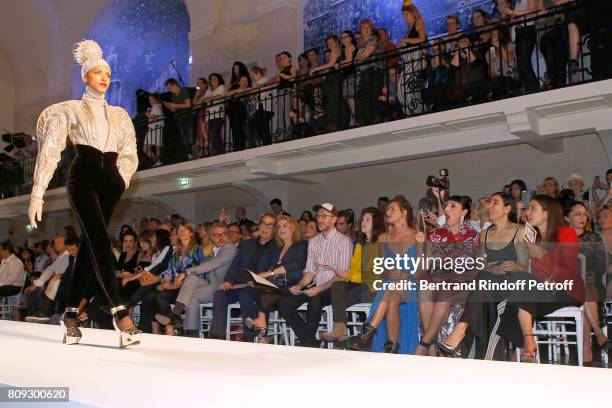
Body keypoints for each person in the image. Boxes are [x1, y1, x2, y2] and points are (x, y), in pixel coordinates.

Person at [27, 40, 140, 347]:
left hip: (110, 179)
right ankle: (119, 310)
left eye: (107, 72)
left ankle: (70, 313)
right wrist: (38, 191)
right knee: (101, 239)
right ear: (85, 77)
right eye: (97, 72)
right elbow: (50, 150)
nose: (103, 76)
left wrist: (121, 180)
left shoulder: (119, 115)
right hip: (83, 177)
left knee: (91, 246)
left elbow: (130, 152)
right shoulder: (72, 110)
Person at [494, 195, 585, 362]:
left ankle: (524, 345)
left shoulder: (567, 233)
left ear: (547, 213)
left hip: (566, 291)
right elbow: (536, 275)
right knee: (518, 284)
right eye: (528, 208)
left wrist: (543, 255)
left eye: (532, 208)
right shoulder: (533, 237)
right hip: (542, 291)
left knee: (519, 290)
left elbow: (570, 271)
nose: (528, 212)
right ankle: (527, 343)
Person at [439, 193, 528, 359]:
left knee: (482, 282)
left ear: (507, 208)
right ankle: (474, 345)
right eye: (489, 203)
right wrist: (491, 269)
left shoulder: (519, 231)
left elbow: (525, 267)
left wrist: (515, 267)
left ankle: (460, 330)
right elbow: (480, 263)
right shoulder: (485, 233)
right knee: (484, 279)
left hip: (510, 283)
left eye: (495, 203)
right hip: (488, 284)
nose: (490, 207)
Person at [350, 197, 424, 354]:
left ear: (404, 213)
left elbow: (420, 272)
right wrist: (388, 271)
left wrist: (418, 249)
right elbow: (381, 268)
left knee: (392, 291)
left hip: (410, 285)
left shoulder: (417, 236)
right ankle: (392, 346)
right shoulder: (383, 238)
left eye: (392, 209)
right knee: (392, 295)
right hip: (390, 285)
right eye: (387, 209)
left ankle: (367, 333)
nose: (387, 212)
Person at [278, 203, 352, 347]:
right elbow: (310, 271)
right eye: (318, 216)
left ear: (334, 219)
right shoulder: (313, 242)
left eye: (324, 216)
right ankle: (310, 341)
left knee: (315, 298)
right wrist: (300, 285)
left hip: (334, 287)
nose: (320, 219)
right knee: (285, 303)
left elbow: (341, 275)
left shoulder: (344, 241)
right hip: (315, 286)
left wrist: (319, 288)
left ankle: (307, 342)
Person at [417, 195, 480, 356]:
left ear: (464, 212)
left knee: (445, 292)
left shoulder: (473, 236)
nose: (446, 209)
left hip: (462, 283)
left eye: (453, 206)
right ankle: (431, 346)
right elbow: (423, 268)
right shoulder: (436, 234)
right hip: (439, 281)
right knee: (424, 288)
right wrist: (419, 246)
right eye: (447, 206)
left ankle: (425, 344)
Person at [155, 223, 237, 337]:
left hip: (222, 288)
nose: (221, 237)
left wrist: (186, 272)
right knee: (191, 288)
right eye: (217, 235)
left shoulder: (229, 248)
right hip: (210, 285)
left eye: (224, 234)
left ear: (228, 235)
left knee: (190, 281)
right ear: (212, 237)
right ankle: (191, 333)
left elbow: (214, 264)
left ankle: (176, 317)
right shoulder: (213, 251)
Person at [238, 215, 308, 343]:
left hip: (293, 283)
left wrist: (269, 273)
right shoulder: (277, 249)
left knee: (265, 287)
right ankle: (262, 324)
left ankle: (262, 322)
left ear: (293, 228)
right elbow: (271, 267)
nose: (281, 229)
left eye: (285, 226)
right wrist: (260, 277)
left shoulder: (301, 245)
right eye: (279, 226)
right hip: (277, 285)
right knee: (255, 288)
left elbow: (295, 265)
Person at [209, 214, 278, 339]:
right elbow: (236, 263)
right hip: (239, 284)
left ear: (274, 228)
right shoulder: (247, 244)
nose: (265, 228)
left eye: (270, 225)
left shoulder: (277, 247)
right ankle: (217, 336)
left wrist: (258, 281)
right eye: (263, 224)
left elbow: (273, 270)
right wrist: (228, 280)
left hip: (259, 287)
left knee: (245, 295)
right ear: (259, 225)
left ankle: (249, 337)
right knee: (220, 294)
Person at [321, 207, 384, 341]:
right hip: (359, 283)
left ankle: (352, 333)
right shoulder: (360, 245)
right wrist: (345, 275)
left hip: (374, 287)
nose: (363, 222)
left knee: (340, 298)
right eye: (363, 219)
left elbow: (374, 275)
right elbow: (354, 271)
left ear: (376, 223)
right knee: (337, 285)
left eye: (368, 220)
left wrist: (348, 275)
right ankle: (341, 328)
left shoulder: (379, 244)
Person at [564, 201, 608, 363]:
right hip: (567, 286)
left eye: (584, 213)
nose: (583, 217)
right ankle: (597, 335)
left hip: (591, 283)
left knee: (585, 288)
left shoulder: (593, 237)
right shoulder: (560, 238)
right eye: (577, 214)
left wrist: (586, 273)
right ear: (567, 218)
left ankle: (589, 344)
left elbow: (601, 265)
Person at [152, 223, 204, 335]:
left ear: (191, 233)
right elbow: (169, 272)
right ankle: (175, 326)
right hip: (174, 287)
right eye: (180, 229)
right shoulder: (175, 253)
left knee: (173, 290)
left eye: (185, 229)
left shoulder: (197, 251)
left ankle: (172, 324)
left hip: (189, 288)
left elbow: (197, 273)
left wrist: (174, 285)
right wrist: (166, 283)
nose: (181, 231)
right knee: (159, 295)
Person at [396, 2, 427, 117]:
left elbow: (422, 39)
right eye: (404, 15)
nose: (405, 18)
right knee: (403, 86)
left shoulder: (418, 22)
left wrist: (406, 41)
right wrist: (401, 44)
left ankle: (417, 111)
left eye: (406, 15)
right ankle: (410, 112)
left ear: (413, 13)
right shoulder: (408, 29)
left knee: (406, 85)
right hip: (408, 59)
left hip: (415, 57)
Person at [355, 19, 384, 126]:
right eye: (363, 27)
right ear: (361, 30)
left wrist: (353, 60)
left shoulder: (373, 39)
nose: (366, 29)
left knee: (372, 96)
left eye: (368, 27)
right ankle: (367, 120)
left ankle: (374, 119)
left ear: (371, 29)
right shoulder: (361, 44)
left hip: (373, 72)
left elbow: (367, 54)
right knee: (364, 97)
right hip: (364, 73)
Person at [164, 78, 194, 159]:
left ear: (175, 85)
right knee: (184, 138)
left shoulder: (184, 91)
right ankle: (190, 155)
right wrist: (170, 107)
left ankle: (195, 154)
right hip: (180, 118)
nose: (169, 90)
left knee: (190, 137)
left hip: (188, 117)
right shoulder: (173, 96)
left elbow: (188, 104)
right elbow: (175, 109)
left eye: (170, 88)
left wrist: (175, 105)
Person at [202, 73, 227, 155]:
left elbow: (220, 96)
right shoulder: (209, 90)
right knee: (212, 135)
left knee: (215, 133)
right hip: (209, 116)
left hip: (218, 114)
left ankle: (221, 152)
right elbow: (203, 100)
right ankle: (217, 151)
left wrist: (208, 98)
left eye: (214, 78)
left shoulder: (221, 87)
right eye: (211, 79)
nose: (212, 80)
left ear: (219, 79)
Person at [143, 92, 164, 166]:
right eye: (149, 100)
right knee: (156, 147)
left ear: (156, 100)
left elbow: (155, 118)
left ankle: (157, 161)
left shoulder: (156, 106)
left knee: (148, 148)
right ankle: (157, 161)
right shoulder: (157, 106)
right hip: (155, 128)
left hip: (154, 128)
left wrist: (148, 115)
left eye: (151, 100)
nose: (150, 102)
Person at [193, 78, 209, 157]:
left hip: (206, 115)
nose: (198, 85)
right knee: (199, 135)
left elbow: (198, 104)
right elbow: (194, 107)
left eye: (200, 83)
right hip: (200, 116)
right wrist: (196, 95)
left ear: (205, 85)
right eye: (197, 84)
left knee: (206, 134)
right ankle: (198, 154)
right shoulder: (199, 96)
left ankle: (206, 152)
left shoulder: (208, 93)